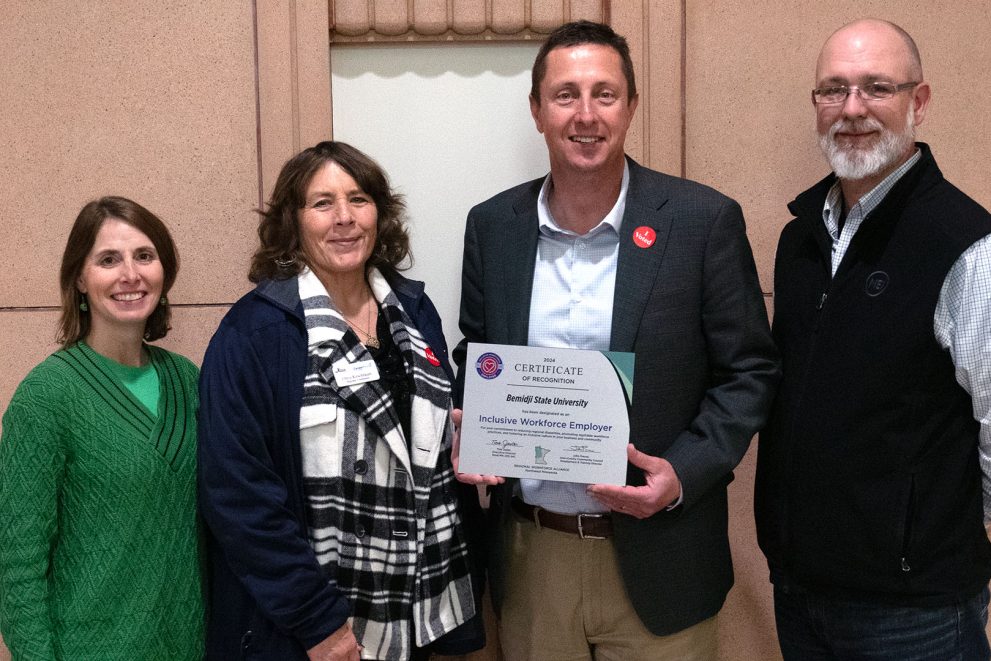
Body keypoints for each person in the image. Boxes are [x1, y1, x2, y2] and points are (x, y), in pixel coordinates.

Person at [452, 20, 780, 660]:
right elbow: (478, 353)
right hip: (532, 555)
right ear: (537, 111)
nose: (586, 114)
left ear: (631, 106)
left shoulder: (701, 221)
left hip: (665, 552)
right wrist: (472, 424)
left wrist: (682, 473)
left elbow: (750, 372)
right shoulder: (493, 227)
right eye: (565, 94)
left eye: (605, 94)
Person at [755, 18, 991, 660]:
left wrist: (946, 548)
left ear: (919, 101)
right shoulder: (800, 239)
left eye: (876, 87)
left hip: (915, 610)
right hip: (800, 588)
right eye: (833, 90)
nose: (852, 109)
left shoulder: (966, 246)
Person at [197, 141, 484, 661]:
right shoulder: (254, 333)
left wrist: (464, 441)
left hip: (420, 611)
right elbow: (238, 498)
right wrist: (318, 623)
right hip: (317, 630)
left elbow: (432, 438)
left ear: (380, 212)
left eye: (358, 199)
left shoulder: (415, 312)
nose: (344, 218)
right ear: (295, 221)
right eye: (322, 203)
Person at [0, 197, 204, 660]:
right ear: (79, 278)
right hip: (88, 648)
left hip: (189, 645)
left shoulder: (188, 382)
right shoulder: (47, 395)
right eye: (108, 260)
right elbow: (17, 564)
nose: (130, 275)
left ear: (164, 272)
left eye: (144, 256)